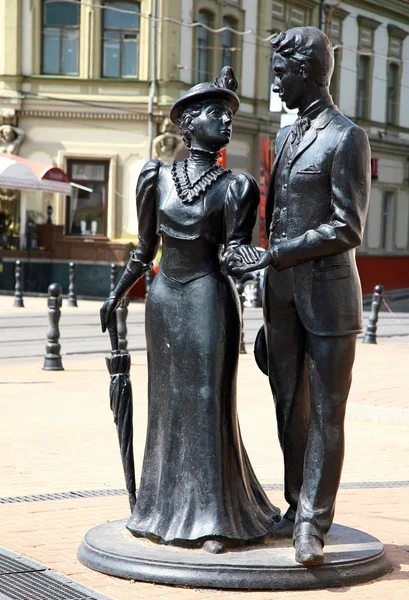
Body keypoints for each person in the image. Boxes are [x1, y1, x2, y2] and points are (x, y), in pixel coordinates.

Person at [100, 67, 280, 554]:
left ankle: (215, 517)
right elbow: (143, 248)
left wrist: (266, 264)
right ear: (189, 122)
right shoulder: (154, 177)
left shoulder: (237, 187)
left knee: (206, 400)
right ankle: (159, 509)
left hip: (207, 296)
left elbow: (236, 252)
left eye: (228, 114)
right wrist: (117, 293)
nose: (225, 121)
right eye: (215, 113)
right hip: (163, 297)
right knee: (166, 402)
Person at [228, 27, 371, 566]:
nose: (276, 86)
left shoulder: (347, 138)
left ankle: (313, 523)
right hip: (282, 296)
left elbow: (348, 227)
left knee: (327, 413)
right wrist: (254, 261)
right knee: (289, 409)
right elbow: (273, 215)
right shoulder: (286, 138)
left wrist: (277, 253)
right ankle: (294, 506)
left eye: (282, 75)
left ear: (308, 72)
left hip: (330, 298)